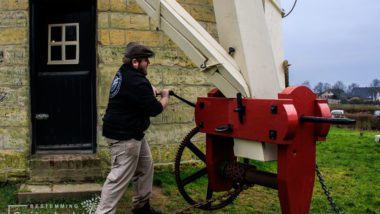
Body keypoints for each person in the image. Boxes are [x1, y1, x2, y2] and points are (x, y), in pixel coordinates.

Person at [96, 42, 169, 214]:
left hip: (133, 133)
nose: (148, 63)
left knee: (145, 166)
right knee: (118, 178)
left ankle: (141, 207)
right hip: (124, 137)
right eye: (146, 60)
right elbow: (155, 109)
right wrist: (165, 96)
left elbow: (136, 89)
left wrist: (149, 89)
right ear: (135, 62)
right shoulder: (136, 81)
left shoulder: (124, 71)